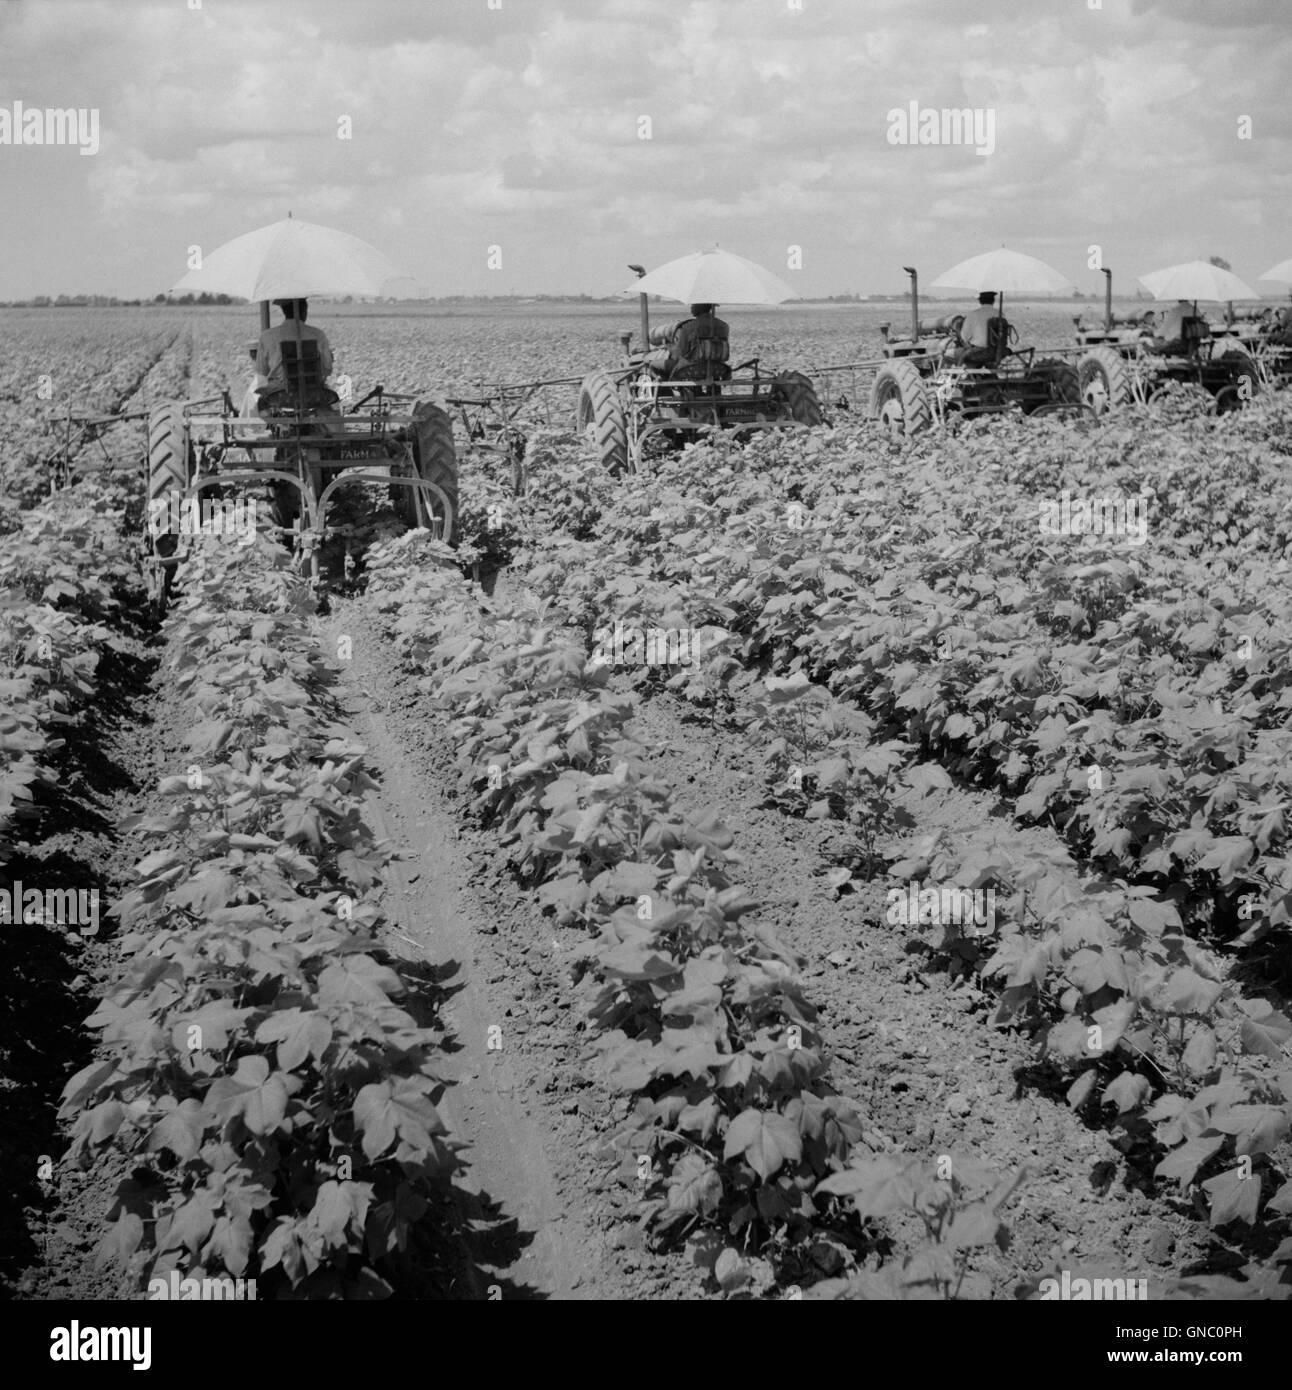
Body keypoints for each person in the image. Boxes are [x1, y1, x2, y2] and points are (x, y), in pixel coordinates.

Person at [256, 298, 334, 391]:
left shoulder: (267, 336)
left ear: (284, 311)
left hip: (278, 393)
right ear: (304, 311)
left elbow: (262, 371)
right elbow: (328, 369)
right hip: (313, 391)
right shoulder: (318, 334)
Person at [665, 303, 731, 380]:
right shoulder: (724, 326)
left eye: (693, 304)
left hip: (692, 369)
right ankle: (715, 390)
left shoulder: (689, 326)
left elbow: (682, 352)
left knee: (657, 365)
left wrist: (670, 348)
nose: (691, 307)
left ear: (701, 306)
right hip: (719, 368)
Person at [952, 292, 1006, 365]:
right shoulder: (1000, 314)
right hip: (999, 353)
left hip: (978, 353)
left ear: (980, 301)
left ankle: (967, 374)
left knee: (957, 352)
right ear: (993, 301)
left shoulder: (973, 315)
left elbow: (965, 337)